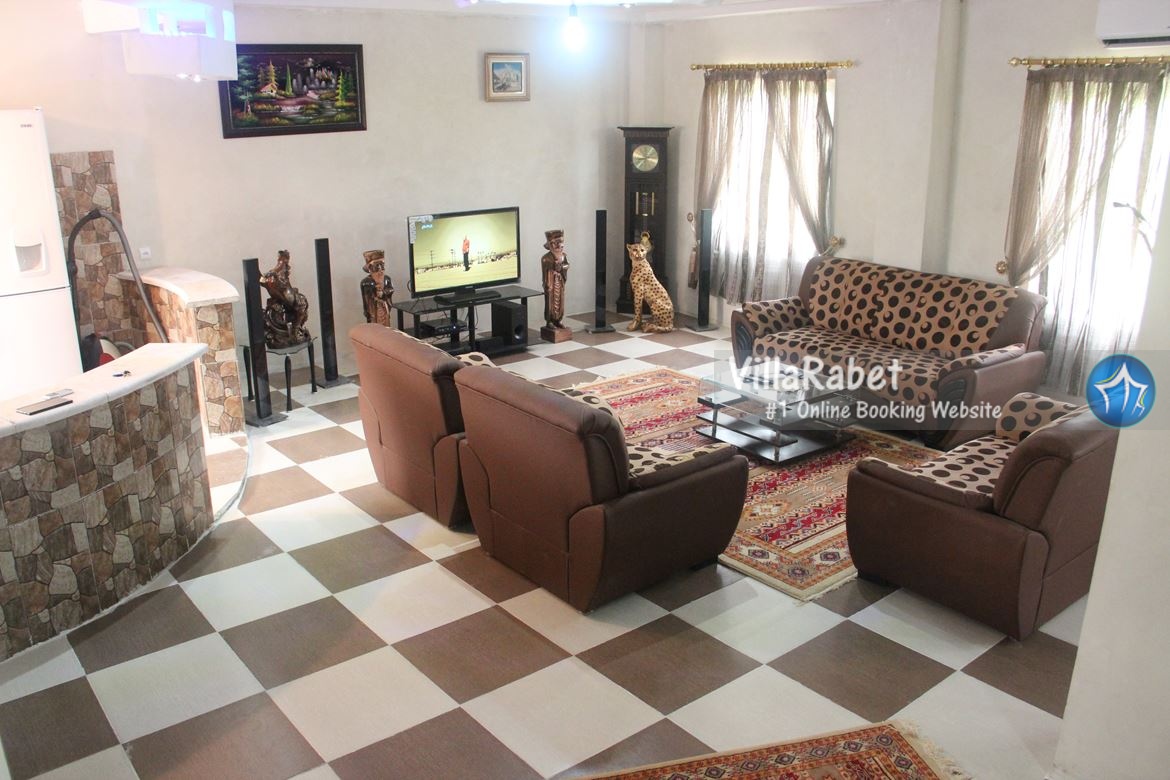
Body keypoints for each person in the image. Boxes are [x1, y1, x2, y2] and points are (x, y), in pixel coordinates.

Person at [541, 229, 569, 329]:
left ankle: (559, 320)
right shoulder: (546, 258)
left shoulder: (563, 256)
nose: (558, 246)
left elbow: (566, 265)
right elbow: (545, 271)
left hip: (560, 281)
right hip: (551, 282)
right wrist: (548, 283)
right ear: (550, 245)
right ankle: (550, 321)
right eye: (555, 243)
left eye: (560, 242)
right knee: (550, 301)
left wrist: (562, 268)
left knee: (560, 300)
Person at [360, 249, 394, 327]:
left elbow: (391, 289)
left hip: (384, 306)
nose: (380, 269)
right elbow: (365, 299)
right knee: (375, 326)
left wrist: (384, 292)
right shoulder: (366, 282)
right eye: (376, 266)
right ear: (370, 268)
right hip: (374, 309)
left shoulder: (387, 279)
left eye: (382, 265)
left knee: (386, 325)